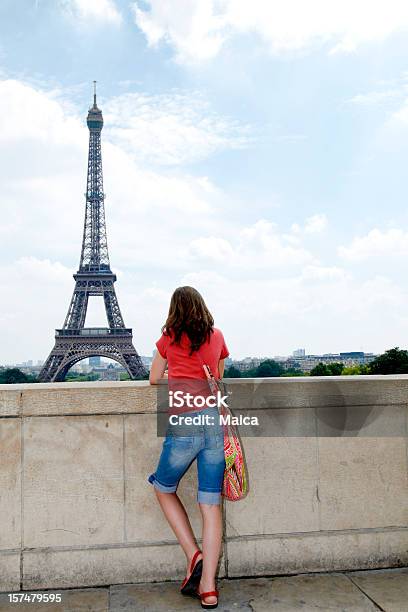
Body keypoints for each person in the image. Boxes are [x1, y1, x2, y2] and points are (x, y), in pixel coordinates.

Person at [148, 286, 229, 610]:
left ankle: (192, 553)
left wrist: (175, 371)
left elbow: (154, 378)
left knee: (163, 487)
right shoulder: (217, 335)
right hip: (212, 423)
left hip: (183, 421)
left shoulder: (168, 337)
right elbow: (218, 376)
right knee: (210, 506)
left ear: (175, 310)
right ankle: (208, 588)